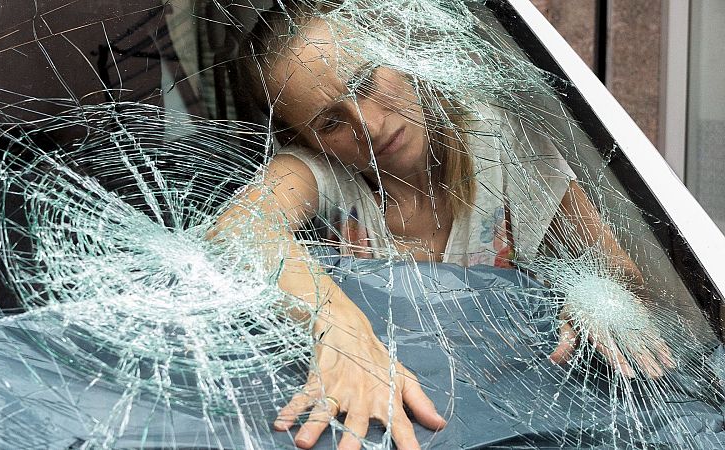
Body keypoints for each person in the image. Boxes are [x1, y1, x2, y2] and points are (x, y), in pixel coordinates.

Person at [211, 4, 674, 449]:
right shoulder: (326, 175)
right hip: (388, 424)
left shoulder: (507, 144)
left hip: (522, 417)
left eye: (366, 82)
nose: (367, 124)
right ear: (308, 141)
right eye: (332, 122)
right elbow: (236, 231)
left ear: (400, 54)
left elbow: (623, 273)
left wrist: (595, 294)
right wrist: (339, 332)